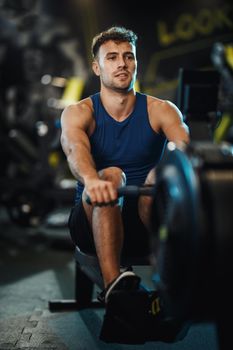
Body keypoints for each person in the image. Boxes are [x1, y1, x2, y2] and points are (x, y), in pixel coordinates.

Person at [60, 26, 190, 304]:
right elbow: (75, 148)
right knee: (111, 175)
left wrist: (164, 171)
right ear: (96, 67)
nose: (122, 63)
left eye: (128, 56)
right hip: (90, 218)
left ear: (136, 63)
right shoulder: (79, 112)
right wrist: (92, 180)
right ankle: (113, 289)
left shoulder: (162, 110)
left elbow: (184, 150)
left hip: (148, 219)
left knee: (156, 178)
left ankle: (166, 278)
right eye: (112, 57)